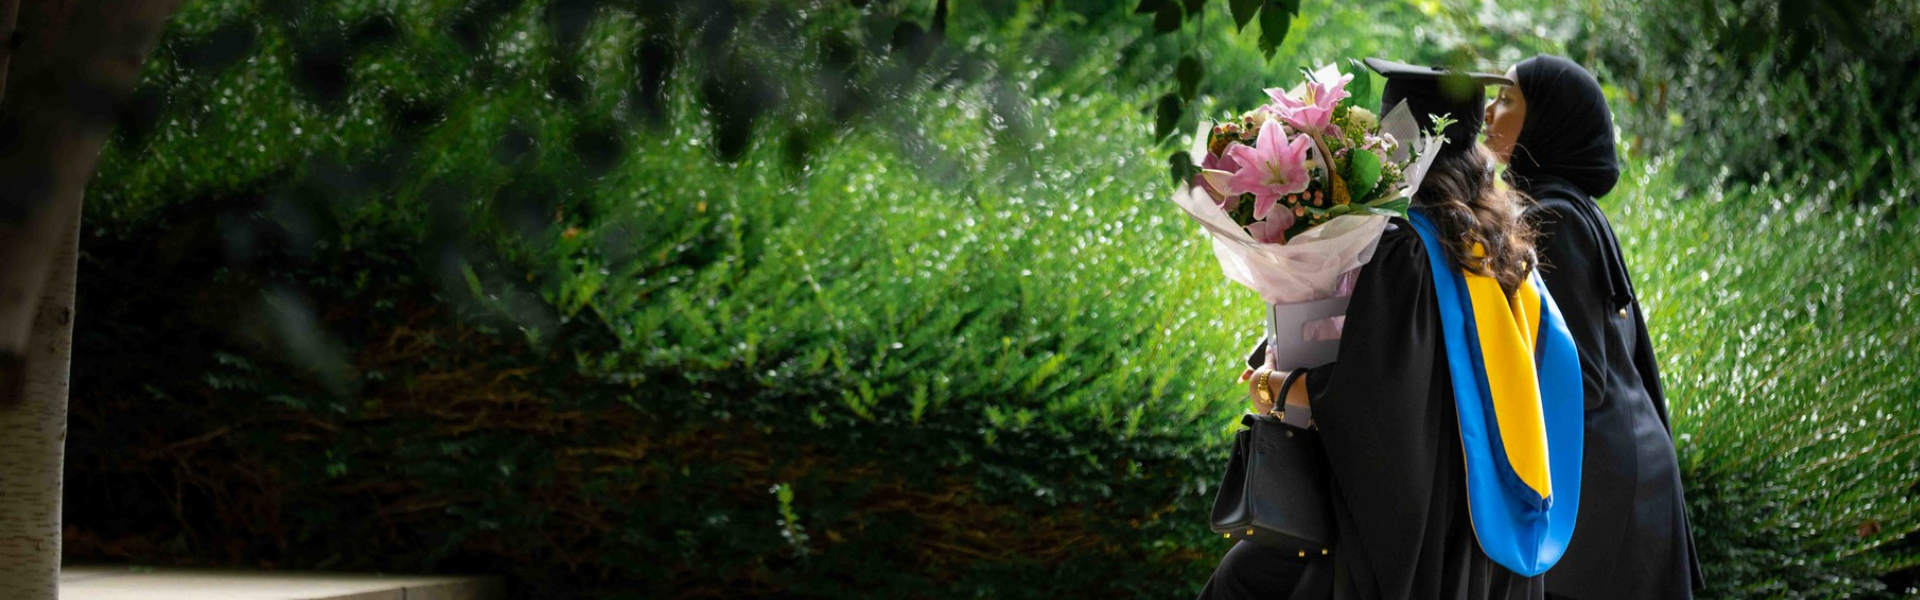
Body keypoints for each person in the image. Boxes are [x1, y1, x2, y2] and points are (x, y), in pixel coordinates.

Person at [1200, 58, 1578, 600]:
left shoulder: (1406, 247)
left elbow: (1374, 397)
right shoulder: (1500, 243)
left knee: (1243, 582)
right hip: (1473, 513)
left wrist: (1279, 385)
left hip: (1414, 519)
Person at [1483, 54, 1704, 599]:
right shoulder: (1565, 206)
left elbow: (1579, 376)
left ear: (1547, 121)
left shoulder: (1553, 218)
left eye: (1508, 99)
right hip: (1622, 473)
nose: (1489, 111)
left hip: (1607, 495)